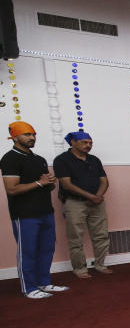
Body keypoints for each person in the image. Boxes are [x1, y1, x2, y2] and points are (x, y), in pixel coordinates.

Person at [1, 121, 69, 299]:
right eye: (27, 135)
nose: (32, 138)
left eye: (33, 134)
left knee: (47, 249)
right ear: (15, 137)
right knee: (28, 251)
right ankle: (29, 288)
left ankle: (44, 282)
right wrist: (40, 182)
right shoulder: (10, 159)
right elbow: (12, 189)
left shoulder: (38, 159)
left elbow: (47, 187)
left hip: (46, 211)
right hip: (24, 214)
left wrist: (49, 183)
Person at [53, 130, 111, 277]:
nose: (88, 145)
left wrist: (98, 196)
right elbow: (66, 184)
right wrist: (91, 196)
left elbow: (104, 181)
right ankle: (80, 269)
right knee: (75, 238)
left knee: (101, 235)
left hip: (97, 202)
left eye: (90, 142)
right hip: (74, 203)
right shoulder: (62, 160)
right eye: (84, 142)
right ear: (73, 142)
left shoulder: (94, 160)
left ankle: (100, 264)